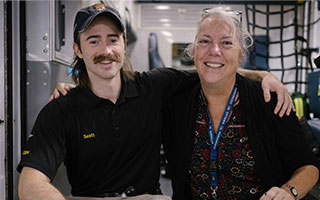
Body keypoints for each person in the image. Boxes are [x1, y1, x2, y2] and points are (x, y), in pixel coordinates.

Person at [17, 3, 293, 200]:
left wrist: (263, 75)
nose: (106, 50)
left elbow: (211, 68)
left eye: (113, 40)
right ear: (77, 48)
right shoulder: (62, 108)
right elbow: (29, 185)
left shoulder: (154, 85)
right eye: (93, 41)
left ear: (124, 43)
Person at [162, 6, 319, 200]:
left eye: (226, 43)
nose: (215, 50)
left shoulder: (270, 100)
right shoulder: (175, 103)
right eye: (204, 41)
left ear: (241, 54)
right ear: (194, 50)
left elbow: (309, 167)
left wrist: (289, 192)